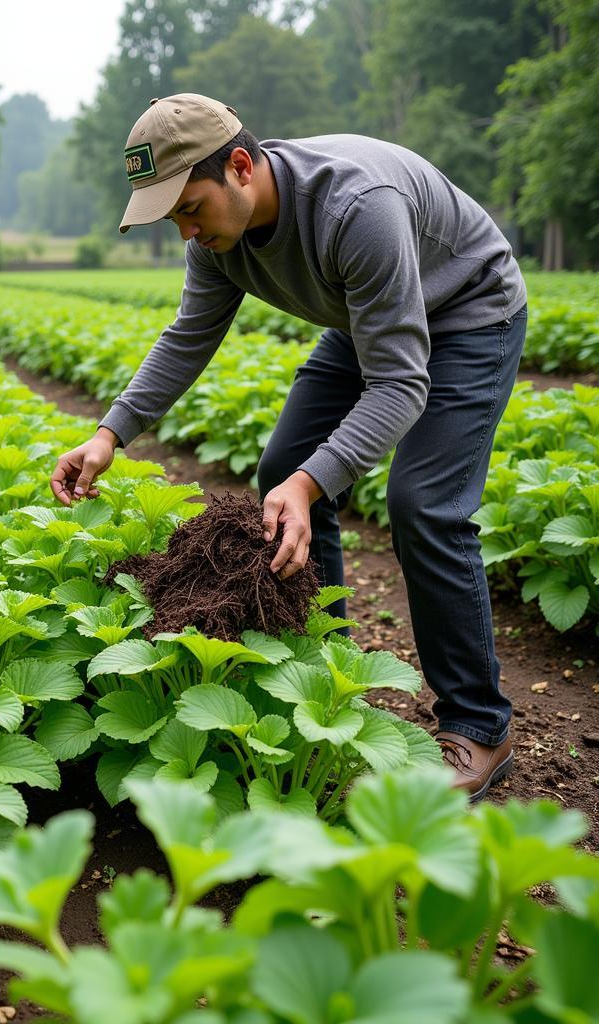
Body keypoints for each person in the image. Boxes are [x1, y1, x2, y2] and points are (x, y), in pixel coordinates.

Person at [50, 94, 527, 802]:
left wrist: (312, 484)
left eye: (190, 207)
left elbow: (400, 382)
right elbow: (189, 337)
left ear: (240, 167)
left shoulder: (355, 208)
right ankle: (323, 664)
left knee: (423, 502)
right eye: (172, 216)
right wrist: (108, 433)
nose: (185, 229)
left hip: (466, 313)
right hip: (364, 315)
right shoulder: (215, 241)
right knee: (282, 468)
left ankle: (479, 726)